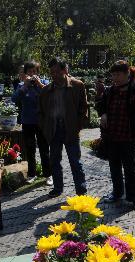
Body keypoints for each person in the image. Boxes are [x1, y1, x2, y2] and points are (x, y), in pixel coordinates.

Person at [96, 60, 135, 212]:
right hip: (112, 136)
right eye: (113, 75)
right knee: (114, 167)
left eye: (118, 74)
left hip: (128, 136)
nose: (114, 78)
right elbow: (100, 104)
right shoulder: (110, 90)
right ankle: (117, 193)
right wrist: (103, 114)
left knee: (130, 169)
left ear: (127, 74)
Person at [38, 57, 88, 198]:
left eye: (56, 72)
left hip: (71, 129)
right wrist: (44, 127)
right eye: (51, 73)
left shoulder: (77, 86)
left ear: (65, 70)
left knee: (75, 162)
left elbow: (84, 108)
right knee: (54, 161)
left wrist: (78, 126)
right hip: (53, 130)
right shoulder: (46, 90)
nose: (54, 75)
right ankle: (58, 188)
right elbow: (40, 112)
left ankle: (81, 190)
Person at [12, 61, 52, 185]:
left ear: (38, 72)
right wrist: (25, 85)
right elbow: (15, 98)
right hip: (27, 121)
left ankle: (48, 175)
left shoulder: (44, 83)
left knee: (44, 149)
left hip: (41, 121)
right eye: (29, 71)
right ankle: (32, 174)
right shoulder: (21, 85)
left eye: (34, 71)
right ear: (26, 73)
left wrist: (39, 84)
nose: (32, 74)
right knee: (30, 149)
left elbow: (50, 94)